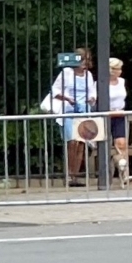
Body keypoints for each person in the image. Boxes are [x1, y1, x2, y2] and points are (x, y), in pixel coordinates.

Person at [40, 49, 97, 184]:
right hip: (68, 109)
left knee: (81, 144)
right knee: (71, 142)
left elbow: (92, 92)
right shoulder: (66, 73)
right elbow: (55, 90)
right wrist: (68, 98)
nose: (85, 63)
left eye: (87, 59)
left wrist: (91, 98)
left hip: (84, 110)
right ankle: (69, 174)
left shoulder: (88, 75)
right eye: (82, 59)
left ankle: (75, 176)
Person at [105, 56, 130, 183]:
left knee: (121, 144)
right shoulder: (100, 83)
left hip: (119, 115)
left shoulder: (122, 81)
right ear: (110, 70)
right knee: (105, 146)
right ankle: (106, 173)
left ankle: (125, 173)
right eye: (117, 69)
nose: (120, 71)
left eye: (120, 69)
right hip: (106, 116)